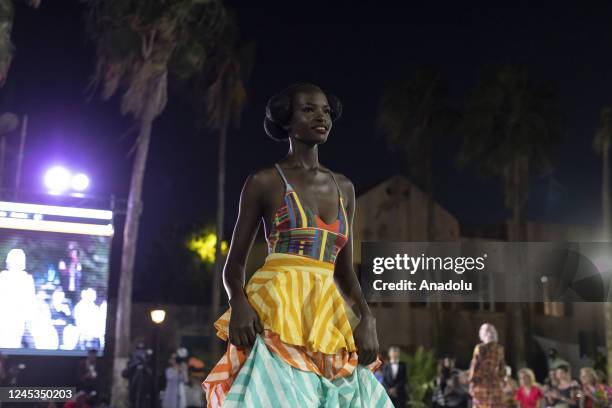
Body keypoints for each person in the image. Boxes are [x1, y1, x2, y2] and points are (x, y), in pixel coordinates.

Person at [203, 83, 392, 407]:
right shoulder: (265, 181)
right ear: (286, 120)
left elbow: (344, 271)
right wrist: (239, 305)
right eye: (309, 109)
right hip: (278, 308)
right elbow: (233, 265)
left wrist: (367, 318)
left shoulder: (343, 187)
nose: (322, 117)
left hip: (326, 314)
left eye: (326, 111)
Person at [0, 248, 36, 348]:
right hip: (4, 318)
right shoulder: (2, 277)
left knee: (13, 346)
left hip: (18, 320)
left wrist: (28, 320)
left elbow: (31, 302)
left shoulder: (27, 279)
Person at [468, 323, 506, 408]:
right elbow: (502, 368)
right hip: (495, 385)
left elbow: (474, 367)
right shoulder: (500, 349)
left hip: (481, 384)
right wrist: (502, 381)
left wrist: (471, 383)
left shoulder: (480, 348)